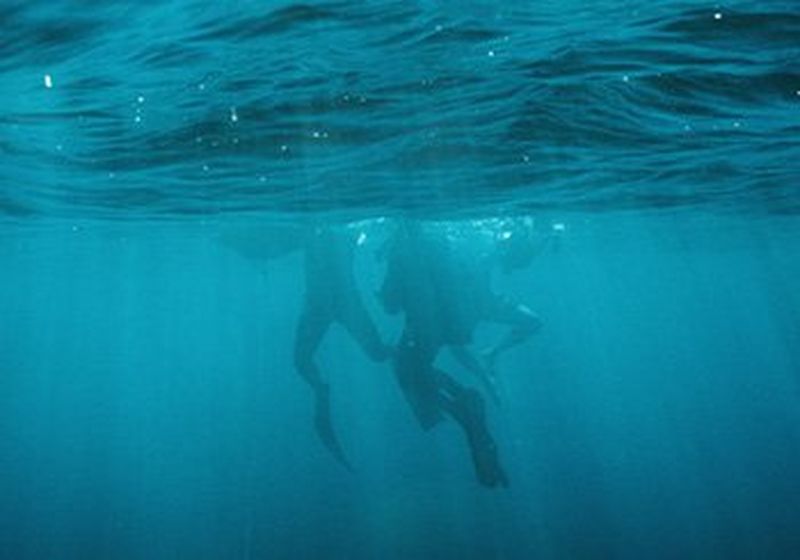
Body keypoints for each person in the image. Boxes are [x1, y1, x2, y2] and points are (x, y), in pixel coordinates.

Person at [379, 220, 510, 488]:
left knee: (408, 377)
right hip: (446, 325)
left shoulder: (401, 248)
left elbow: (391, 304)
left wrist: (382, 296)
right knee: (416, 374)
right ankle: (466, 407)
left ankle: (465, 406)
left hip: (420, 328)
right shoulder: (440, 243)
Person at [294, 224, 391, 469]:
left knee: (377, 354)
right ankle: (321, 391)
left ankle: (321, 390)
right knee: (377, 353)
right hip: (338, 302)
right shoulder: (339, 230)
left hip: (326, 302)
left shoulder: (315, 230)